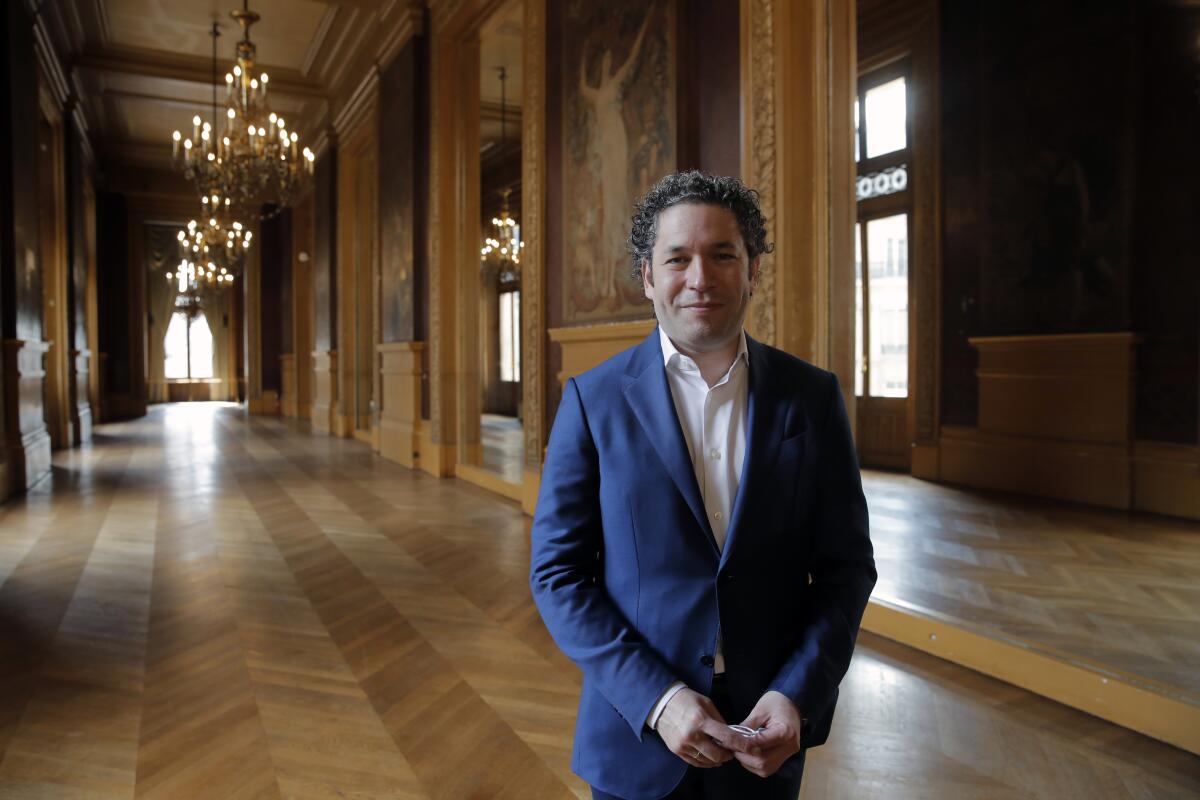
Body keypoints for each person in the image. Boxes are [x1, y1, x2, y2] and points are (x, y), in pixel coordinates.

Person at [530, 171, 876, 800]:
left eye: (723, 255)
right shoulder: (593, 400)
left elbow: (847, 569)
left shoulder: (812, 398)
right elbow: (558, 574)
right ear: (647, 276)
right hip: (636, 737)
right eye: (677, 258)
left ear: (754, 271)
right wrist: (658, 700)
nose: (700, 278)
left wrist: (797, 694)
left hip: (764, 735)